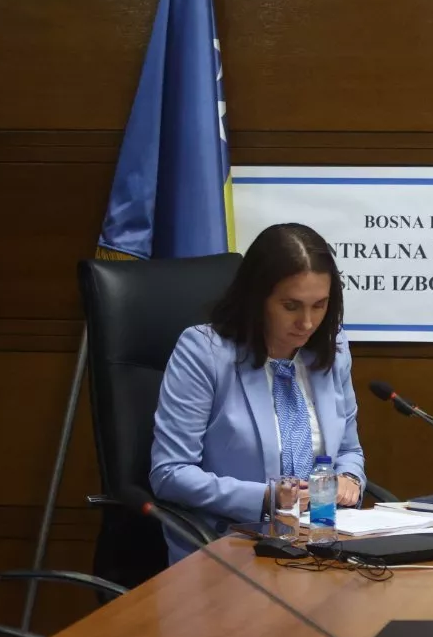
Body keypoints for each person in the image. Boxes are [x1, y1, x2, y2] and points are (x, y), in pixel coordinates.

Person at [149, 223, 367, 562]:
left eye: (319, 305)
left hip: (321, 542)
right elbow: (170, 473)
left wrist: (349, 478)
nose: (307, 323)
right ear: (257, 299)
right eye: (291, 306)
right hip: (230, 547)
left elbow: (349, 450)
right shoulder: (204, 352)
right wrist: (267, 497)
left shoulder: (332, 347)